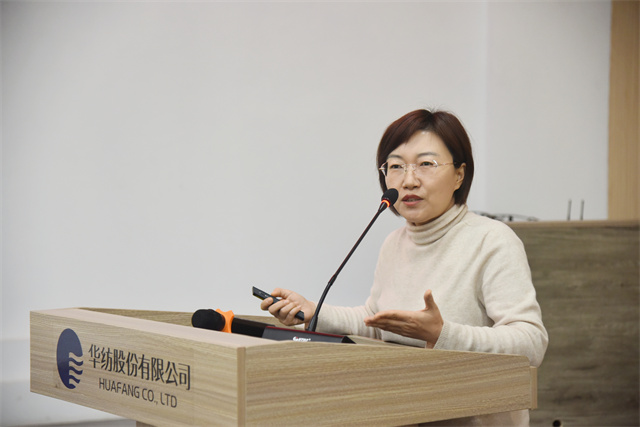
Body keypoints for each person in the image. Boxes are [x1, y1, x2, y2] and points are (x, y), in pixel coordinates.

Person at [260, 109, 548, 426]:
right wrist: (313, 311)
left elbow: (531, 343)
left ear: (459, 175)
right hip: (402, 413)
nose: (409, 180)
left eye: (426, 164)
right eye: (396, 166)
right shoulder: (394, 243)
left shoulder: (492, 240)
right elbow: (376, 322)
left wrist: (443, 334)